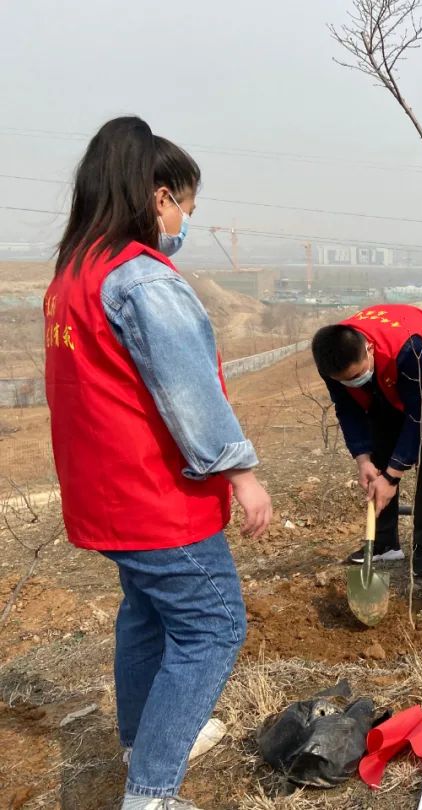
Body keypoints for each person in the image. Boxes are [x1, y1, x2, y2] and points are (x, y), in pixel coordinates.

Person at [44, 117, 272, 810]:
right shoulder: (139, 278)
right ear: (159, 196)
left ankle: (144, 741)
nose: (183, 225)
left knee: (146, 615)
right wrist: (240, 471)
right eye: (186, 210)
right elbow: (188, 389)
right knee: (212, 627)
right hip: (156, 497)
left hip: (104, 495)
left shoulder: (73, 275)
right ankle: (152, 791)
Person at [311, 305, 422, 577]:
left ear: (369, 349)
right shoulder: (333, 360)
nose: (352, 383)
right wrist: (363, 459)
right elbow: (347, 409)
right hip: (385, 376)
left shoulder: (410, 347)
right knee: (379, 449)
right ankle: (385, 543)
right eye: (345, 380)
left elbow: (419, 415)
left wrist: (393, 477)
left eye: (355, 375)